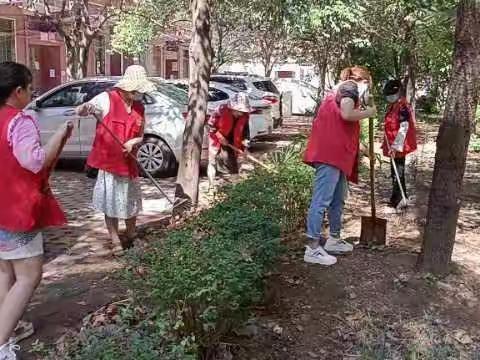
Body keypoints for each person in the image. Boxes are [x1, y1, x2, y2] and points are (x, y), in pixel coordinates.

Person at [0, 62, 73, 359]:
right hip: (16, 210)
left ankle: (8, 327)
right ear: (18, 91)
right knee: (29, 275)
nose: (31, 93)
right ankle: (2, 342)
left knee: (5, 271)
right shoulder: (20, 121)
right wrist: (60, 134)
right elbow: (35, 161)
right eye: (30, 88)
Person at [303, 66, 377, 266]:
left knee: (337, 199)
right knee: (321, 201)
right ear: (363, 80)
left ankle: (334, 239)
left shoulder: (338, 92)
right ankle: (312, 248)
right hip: (330, 155)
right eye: (368, 83)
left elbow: (342, 126)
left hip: (336, 155)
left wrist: (365, 150)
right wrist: (369, 112)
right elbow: (346, 114)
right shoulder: (349, 88)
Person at [76, 65, 154, 250]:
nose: (137, 94)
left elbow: (141, 135)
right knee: (111, 202)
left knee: (131, 201)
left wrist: (132, 142)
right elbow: (82, 110)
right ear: (126, 87)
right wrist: (85, 107)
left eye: (139, 91)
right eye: (135, 90)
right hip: (110, 164)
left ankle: (131, 233)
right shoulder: (106, 99)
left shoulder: (139, 107)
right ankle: (114, 239)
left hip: (129, 164)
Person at [381, 80, 417, 209]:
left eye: (391, 94)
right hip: (392, 145)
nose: (389, 97)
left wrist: (396, 146)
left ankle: (400, 198)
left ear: (397, 93)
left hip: (400, 145)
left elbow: (404, 126)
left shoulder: (403, 107)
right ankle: (397, 197)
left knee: (398, 172)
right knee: (394, 172)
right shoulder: (393, 105)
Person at [207, 92, 251, 192]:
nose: (240, 113)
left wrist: (245, 146)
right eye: (238, 110)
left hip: (233, 140)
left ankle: (235, 188)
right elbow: (210, 125)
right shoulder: (221, 110)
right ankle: (211, 186)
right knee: (212, 161)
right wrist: (219, 136)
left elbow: (245, 133)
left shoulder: (244, 116)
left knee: (233, 162)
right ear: (232, 107)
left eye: (242, 111)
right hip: (216, 138)